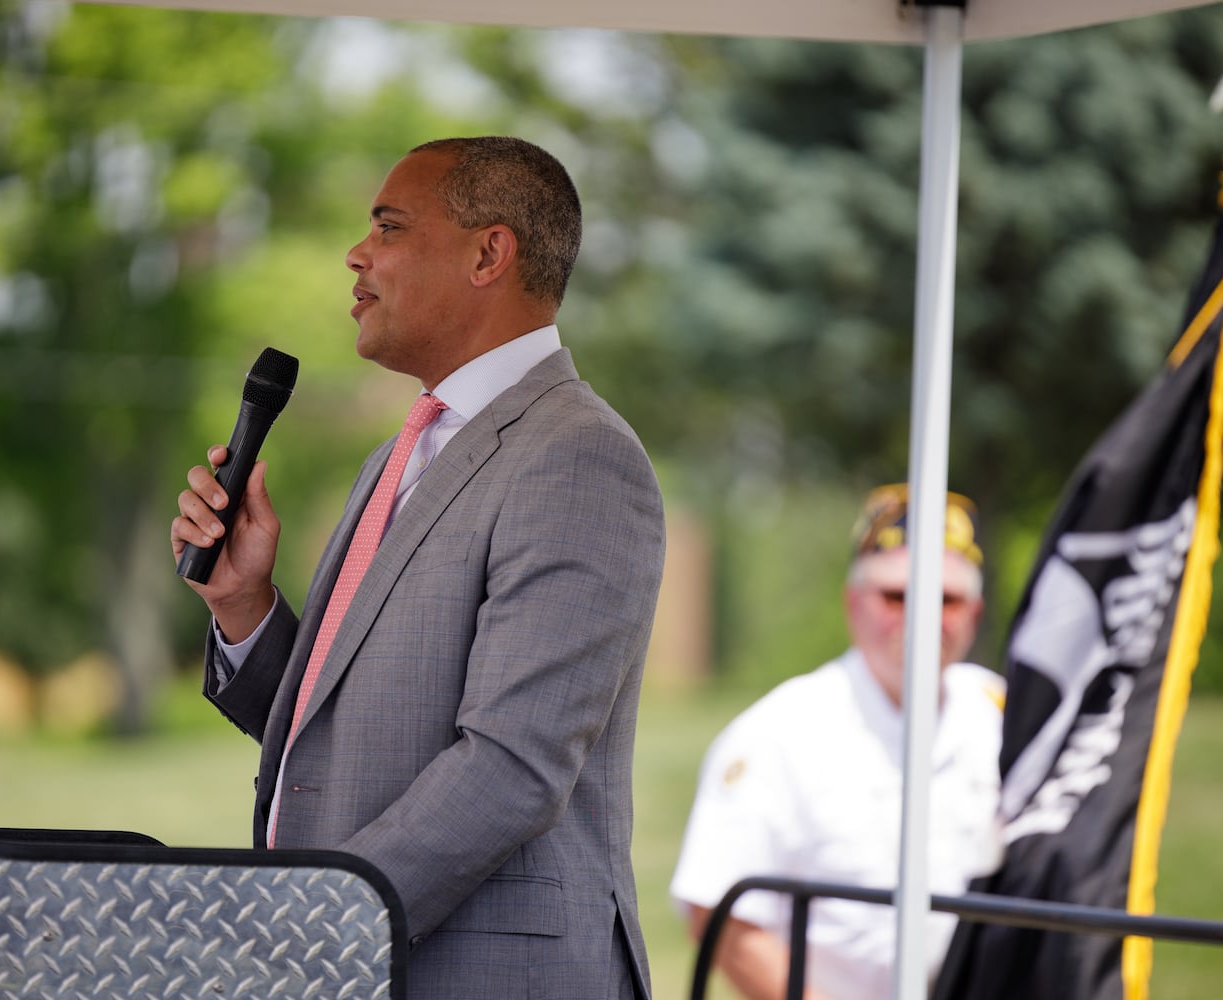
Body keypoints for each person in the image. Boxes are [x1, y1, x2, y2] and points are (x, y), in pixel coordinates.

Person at [171, 136, 667, 1000]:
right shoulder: (401, 454)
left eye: (389, 227)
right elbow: (345, 735)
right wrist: (246, 606)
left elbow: (510, 770)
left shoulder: (578, 457)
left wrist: (313, 928)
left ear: (488, 253)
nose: (356, 256)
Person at [669, 484, 1004, 1000]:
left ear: (975, 614)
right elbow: (719, 913)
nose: (922, 617)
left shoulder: (1002, 715)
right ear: (853, 604)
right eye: (898, 595)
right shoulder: (779, 733)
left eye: (947, 599)